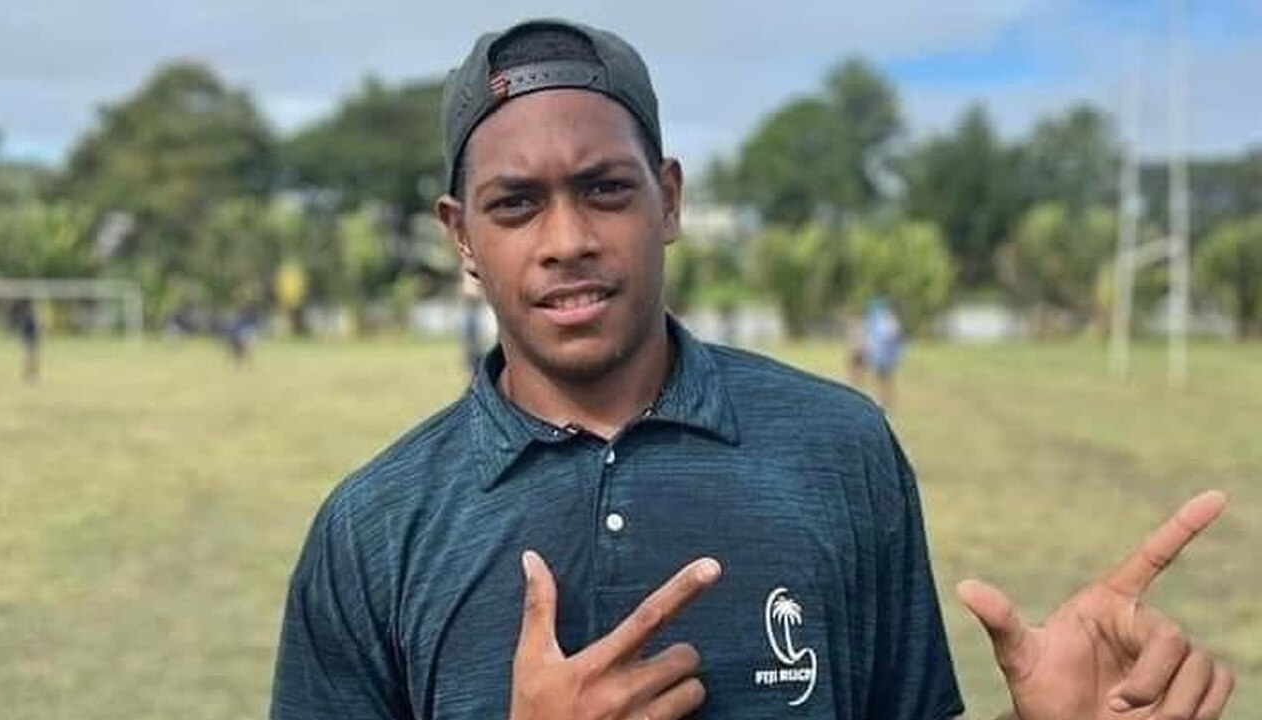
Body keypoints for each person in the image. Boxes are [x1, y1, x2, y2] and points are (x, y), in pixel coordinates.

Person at [270, 19, 1234, 720]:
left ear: (670, 199)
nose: (566, 240)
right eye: (516, 205)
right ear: (461, 237)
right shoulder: (374, 527)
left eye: (605, 190)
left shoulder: (838, 447)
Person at [863, 297, 904, 411]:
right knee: (880, 380)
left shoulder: (886, 320)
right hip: (880, 356)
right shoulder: (881, 320)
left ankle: (886, 402)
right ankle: (883, 402)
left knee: (885, 381)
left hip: (885, 357)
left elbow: (893, 336)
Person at [9, 298, 41, 383]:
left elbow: (34, 331)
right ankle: (28, 375)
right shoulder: (26, 318)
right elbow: (24, 331)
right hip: (28, 342)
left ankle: (31, 374)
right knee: (28, 358)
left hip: (31, 341)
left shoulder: (29, 318)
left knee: (31, 359)